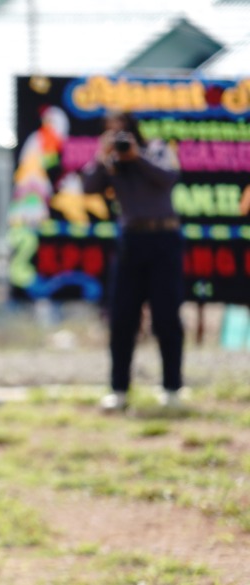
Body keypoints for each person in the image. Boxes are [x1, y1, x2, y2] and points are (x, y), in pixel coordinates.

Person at [79, 110, 183, 412]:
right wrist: (101, 155)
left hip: (164, 240)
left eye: (122, 131)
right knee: (122, 317)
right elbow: (88, 187)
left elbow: (168, 178)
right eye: (111, 132)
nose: (119, 138)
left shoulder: (157, 149)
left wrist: (136, 157)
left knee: (166, 317)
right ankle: (119, 389)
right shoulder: (110, 162)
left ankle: (172, 388)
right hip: (131, 242)